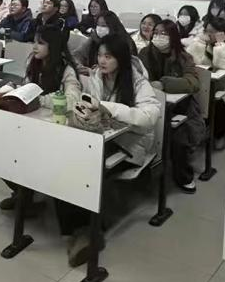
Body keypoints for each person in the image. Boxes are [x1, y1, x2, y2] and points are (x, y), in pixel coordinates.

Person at [58, 33, 160, 265]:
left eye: (108, 56)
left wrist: (109, 108)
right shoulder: (97, 76)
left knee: (85, 171)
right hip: (101, 138)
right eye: (100, 55)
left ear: (121, 58)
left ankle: (90, 231)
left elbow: (150, 116)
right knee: (64, 164)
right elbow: (90, 103)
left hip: (129, 145)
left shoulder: (138, 82)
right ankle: (75, 229)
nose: (102, 61)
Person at [0, 25, 84, 211]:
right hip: (32, 121)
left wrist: (41, 100)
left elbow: (72, 99)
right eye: (35, 42)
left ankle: (28, 197)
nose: (35, 46)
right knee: (3, 150)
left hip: (55, 126)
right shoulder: (34, 63)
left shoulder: (66, 69)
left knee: (26, 154)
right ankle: (22, 192)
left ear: (53, 46)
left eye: (41, 43)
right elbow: (27, 88)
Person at [139, 18, 206, 191]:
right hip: (150, 104)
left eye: (163, 33)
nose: (158, 36)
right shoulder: (145, 54)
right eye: (156, 33)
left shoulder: (184, 57)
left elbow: (193, 83)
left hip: (181, 109)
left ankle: (184, 177)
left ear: (173, 37)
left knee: (178, 138)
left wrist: (164, 84)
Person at [188, 15, 225, 140]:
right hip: (202, 87)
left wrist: (220, 45)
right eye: (206, 31)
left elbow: (222, 65)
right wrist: (199, 43)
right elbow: (193, 63)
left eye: (213, 32)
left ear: (224, 33)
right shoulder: (203, 45)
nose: (209, 35)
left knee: (217, 110)